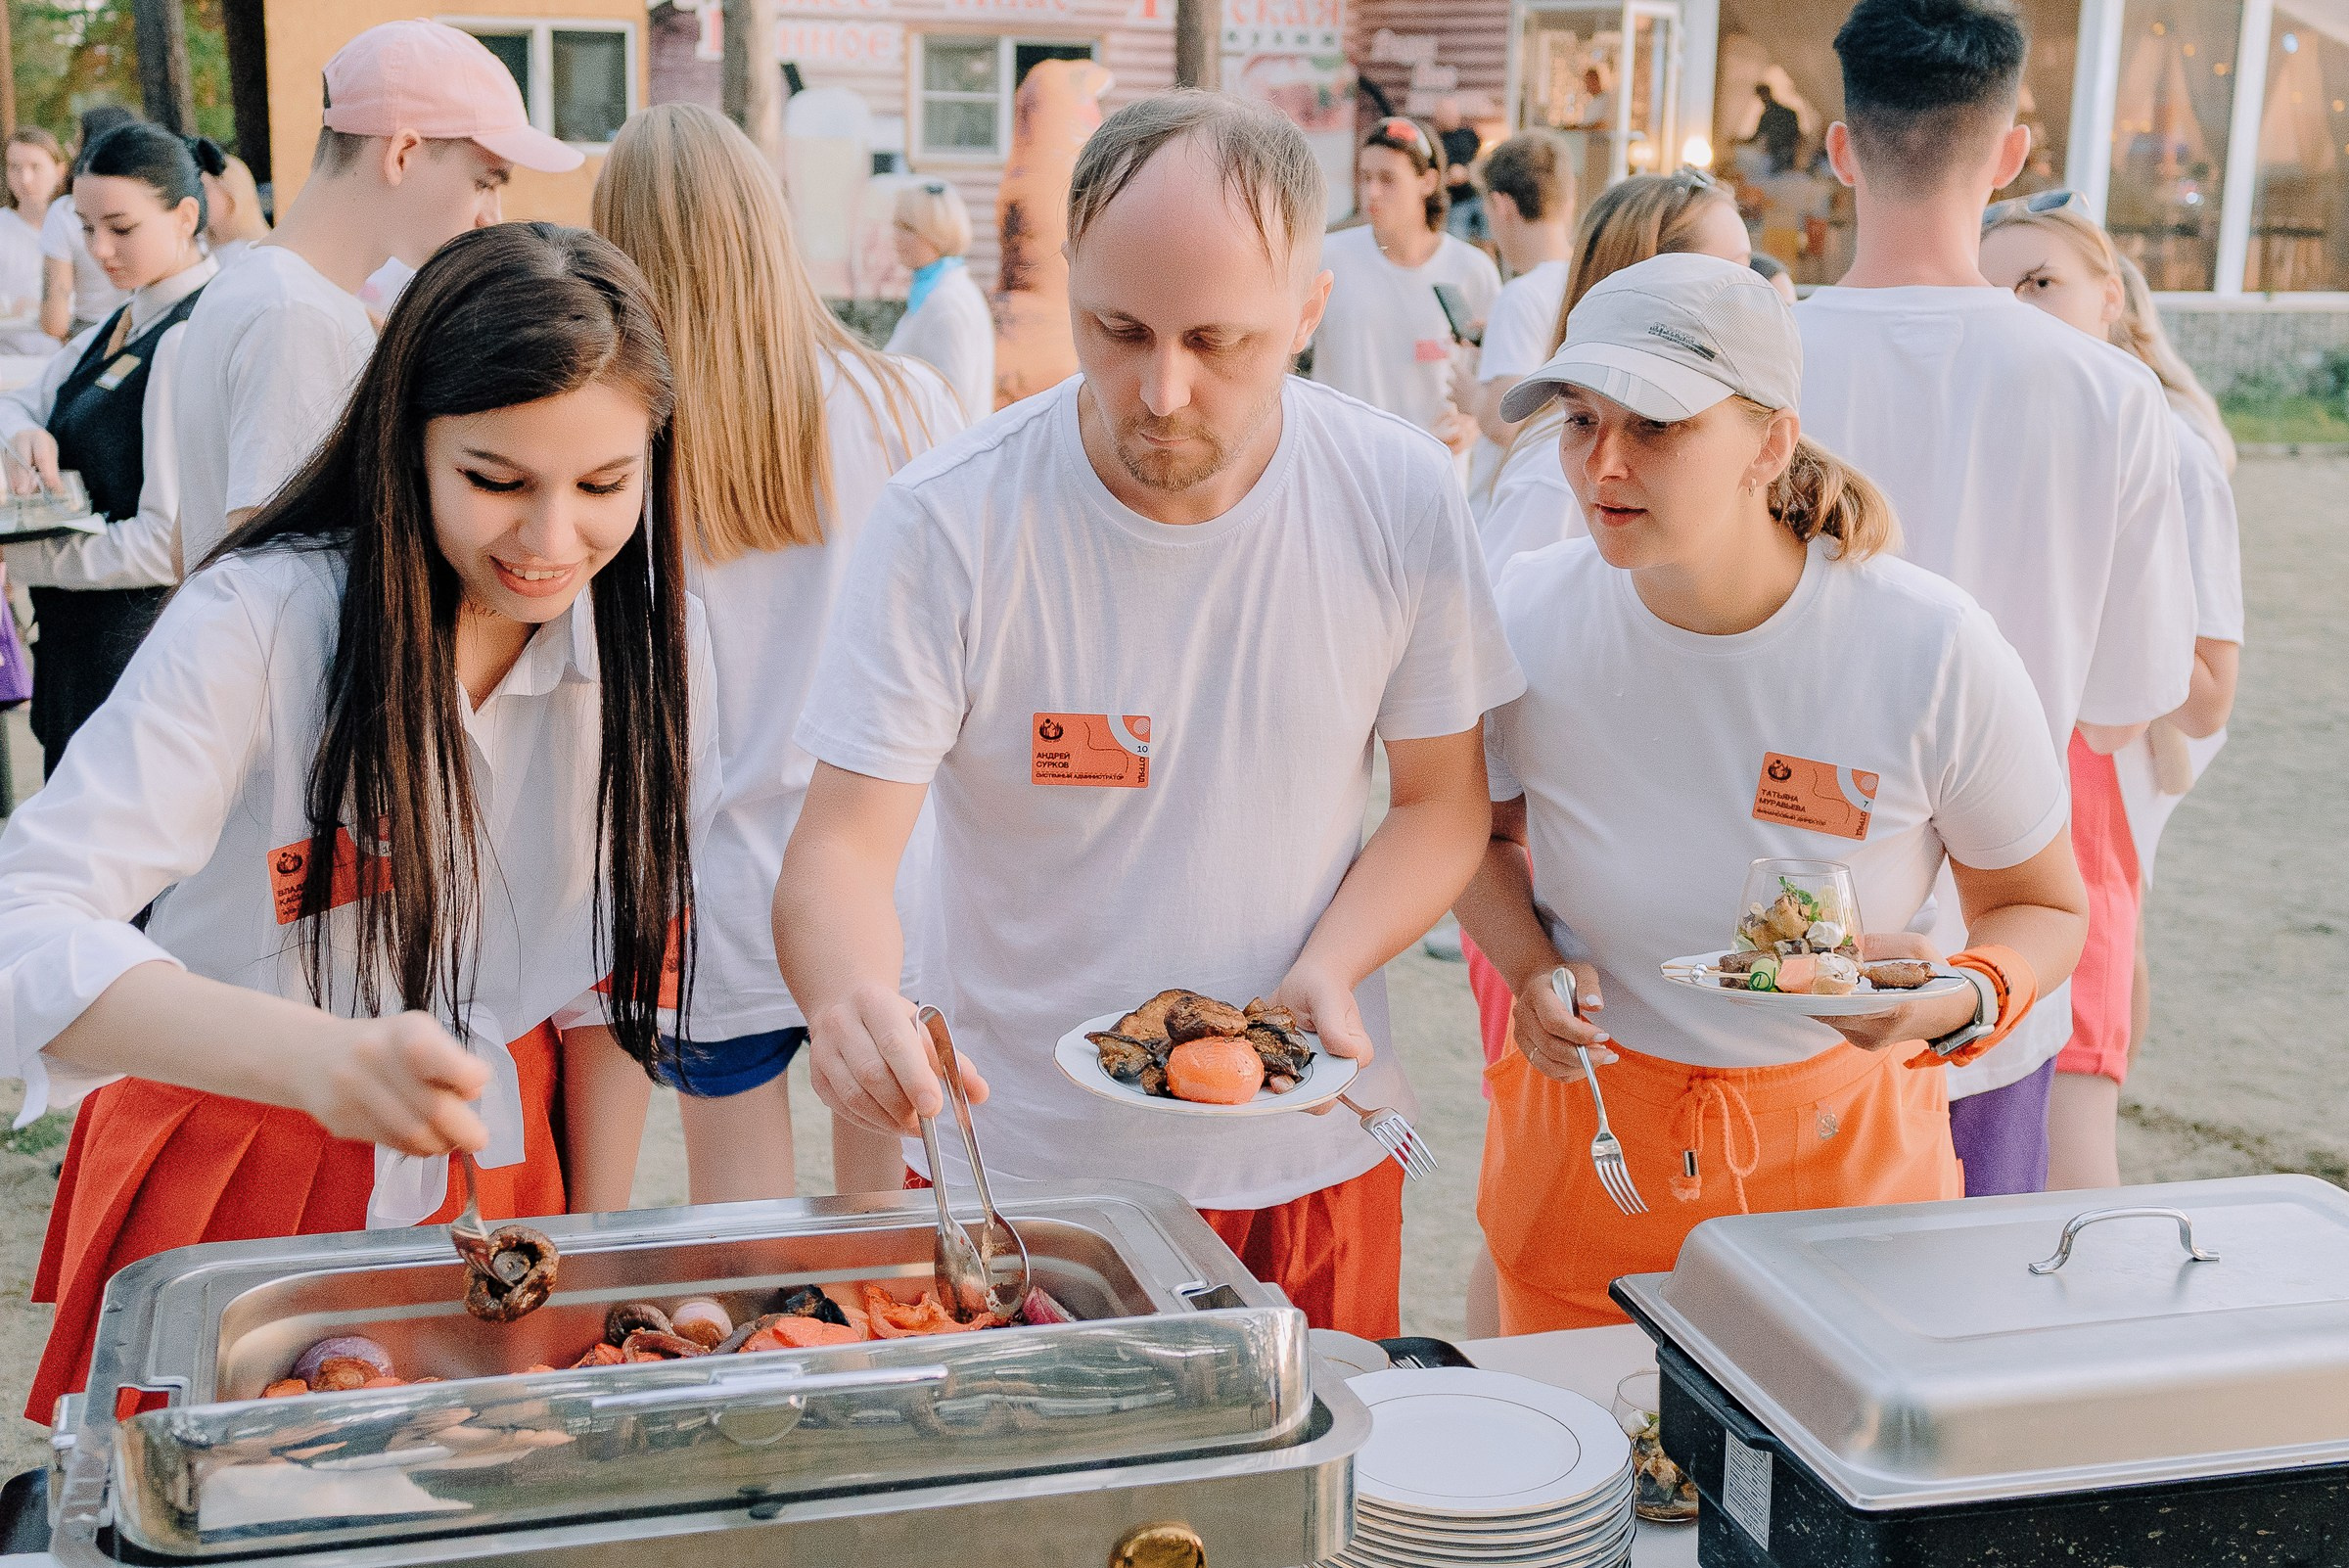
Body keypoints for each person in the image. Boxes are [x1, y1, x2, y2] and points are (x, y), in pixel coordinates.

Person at [776, 91, 1521, 1339]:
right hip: (1017, 1178)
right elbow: (843, 843)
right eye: (1116, 328)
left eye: (1218, 341)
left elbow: (1445, 803)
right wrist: (850, 995)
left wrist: (1328, 967)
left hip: (1307, 1153)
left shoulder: (1397, 493)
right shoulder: (950, 517)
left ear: (1310, 312)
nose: (1161, 390)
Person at [0, 222, 712, 1419]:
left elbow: (614, 973)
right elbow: (28, 918)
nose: (550, 543)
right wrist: (326, 1062)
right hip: (243, 1145)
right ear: (408, 446)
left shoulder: (642, 638)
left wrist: (590, 1242)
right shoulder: (262, 619)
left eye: (603, 486)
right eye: (496, 481)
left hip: (507, 1165)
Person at [1460, 252, 2088, 1332]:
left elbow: (2044, 906)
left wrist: (1963, 997)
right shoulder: (1528, 615)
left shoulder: (1928, 647)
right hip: (1593, 1143)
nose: (1603, 465)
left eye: (1656, 426)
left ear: (1771, 441)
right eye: (1578, 420)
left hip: (1845, 1180)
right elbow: (1474, 838)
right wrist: (1530, 970)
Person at [1797, 0, 2193, 1196]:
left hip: (1785, 947)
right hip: (1992, 952)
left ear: (1840, 149)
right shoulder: (2113, 397)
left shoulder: (1761, 361)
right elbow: (2130, 699)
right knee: (1958, 1327)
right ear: (2013, 152)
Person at [593, 104, 961, 1203]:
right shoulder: (908, 404)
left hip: (717, 878)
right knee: (886, 1216)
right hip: (892, 869)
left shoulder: (620, 446)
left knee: (743, 1227)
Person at [1978, 205, 2241, 1189]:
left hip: (2092, 800)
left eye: (2040, 282)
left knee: (2071, 1111)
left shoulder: (2162, 447)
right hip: (2021, 796)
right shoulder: (2013, 433)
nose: (2018, 311)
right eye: (1994, 290)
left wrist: (2079, 643)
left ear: (2112, 297)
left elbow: (2207, 693)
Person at [173, 19, 582, 574]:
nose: (493, 218)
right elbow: (273, 568)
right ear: (403, 154)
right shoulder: (299, 315)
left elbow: (186, 540)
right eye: (485, 182)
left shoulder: (256, 285)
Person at [0, 125, 221, 775]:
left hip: (129, 663)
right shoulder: (125, 319)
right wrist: (25, 435)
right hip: (79, 650)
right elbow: (21, 401)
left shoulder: (186, 337)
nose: (98, 250)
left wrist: (37, 560)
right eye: (85, 227)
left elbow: (167, 542)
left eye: (121, 228)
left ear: (184, 216)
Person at [1479, 170, 1750, 583]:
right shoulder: (1554, 480)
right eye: (1736, 275)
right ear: (1650, 286)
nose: (1763, 296)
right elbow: (1492, 628)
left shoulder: (1726, 433)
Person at [1311, 116, 1499, 455]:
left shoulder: (1472, 270)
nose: (1372, 192)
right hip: (1343, 465)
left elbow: (1495, 383)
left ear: (1428, 182)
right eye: (1365, 177)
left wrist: (1472, 423)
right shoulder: (1329, 257)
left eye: (1388, 179)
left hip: (1434, 470)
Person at [1453, 131, 1575, 516]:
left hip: (1509, 508)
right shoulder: (1588, 280)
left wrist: (1468, 394)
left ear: (1502, 205)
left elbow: (1509, 422)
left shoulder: (1520, 296)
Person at [884, 178, 994, 423]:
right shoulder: (932, 293)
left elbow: (954, 404)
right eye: (896, 225)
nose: (895, 237)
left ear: (935, 235)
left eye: (906, 228)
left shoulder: (947, 303)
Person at [41, 106, 137, 341]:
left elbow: (56, 320)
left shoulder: (65, 211)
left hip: (92, 336)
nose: (72, 150)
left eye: (77, 142)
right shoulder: (151, 204)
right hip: (147, 328)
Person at [0, 128, 66, 352]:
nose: (25, 179)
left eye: (35, 167)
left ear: (59, 170)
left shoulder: (77, 227)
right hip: (9, 360)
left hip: (68, 359)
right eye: (15, 167)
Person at [201, 153, 271, 269]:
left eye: (204, 189)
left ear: (231, 192)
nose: (196, 198)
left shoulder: (260, 253)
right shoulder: (199, 249)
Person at [1433, 97, 1486, 244]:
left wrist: (1467, 171)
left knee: (1489, 241)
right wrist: (1449, 178)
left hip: (1479, 196)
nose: (1453, 116)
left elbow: (1483, 156)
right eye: (1447, 113)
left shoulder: (1469, 135)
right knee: (1457, 242)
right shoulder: (1436, 141)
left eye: (1454, 112)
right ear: (1438, 116)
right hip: (1457, 202)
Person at [1752, 83, 1801, 172]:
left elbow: (1758, 135)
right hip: (1783, 152)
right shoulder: (1788, 112)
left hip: (1779, 153)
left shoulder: (1769, 115)